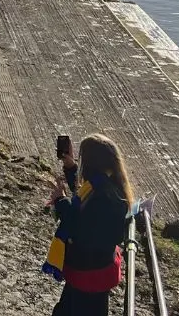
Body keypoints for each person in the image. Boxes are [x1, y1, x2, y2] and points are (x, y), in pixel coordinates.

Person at [44, 135, 134, 316]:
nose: (80, 161)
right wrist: (70, 168)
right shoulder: (105, 186)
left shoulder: (105, 198)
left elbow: (81, 229)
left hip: (88, 275)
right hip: (91, 272)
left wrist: (61, 201)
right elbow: (82, 197)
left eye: (81, 158)